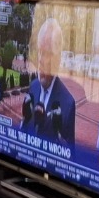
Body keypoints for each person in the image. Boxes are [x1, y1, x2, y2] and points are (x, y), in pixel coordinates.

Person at [21, 16, 76, 146]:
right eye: (39, 52)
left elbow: (69, 153)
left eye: (46, 53)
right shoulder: (33, 87)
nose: (40, 60)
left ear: (58, 58)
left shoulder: (68, 104)